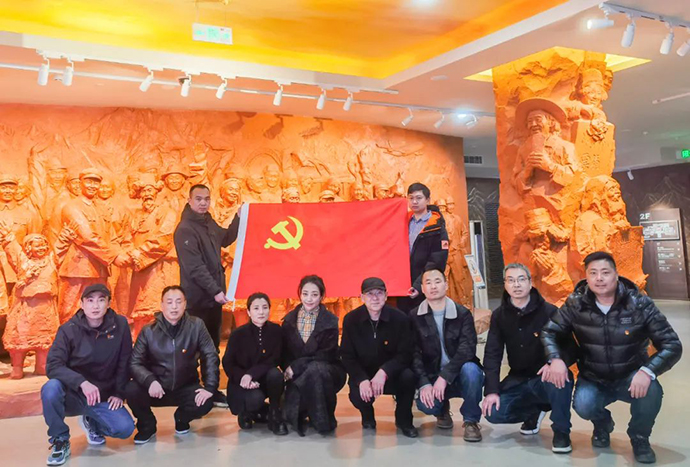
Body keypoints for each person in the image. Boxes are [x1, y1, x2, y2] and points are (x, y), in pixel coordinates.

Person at [542, 251, 683, 464]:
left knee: (652, 392)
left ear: (616, 275)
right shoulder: (576, 304)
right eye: (593, 273)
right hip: (593, 376)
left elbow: (672, 345)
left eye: (605, 272)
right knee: (583, 405)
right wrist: (555, 358)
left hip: (631, 375)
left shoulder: (638, 303)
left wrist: (648, 371)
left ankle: (639, 437)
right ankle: (602, 424)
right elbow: (549, 331)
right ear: (586, 277)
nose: (599, 278)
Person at [482, 263, 576, 454]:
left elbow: (571, 348)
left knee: (560, 379)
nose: (516, 285)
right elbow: (492, 353)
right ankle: (535, 411)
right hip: (518, 378)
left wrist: (555, 362)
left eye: (521, 279)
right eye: (511, 280)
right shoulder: (499, 316)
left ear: (530, 282)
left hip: (546, 376)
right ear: (505, 284)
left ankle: (561, 431)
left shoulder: (549, 311)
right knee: (494, 412)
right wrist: (491, 390)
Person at [41, 284, 134, 466]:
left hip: (103, 395)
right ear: (82, 304)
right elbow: (53, 365)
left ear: (109, 303)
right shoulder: (68, 329)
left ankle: (92, 422)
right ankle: (60, 440)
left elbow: (125, 361)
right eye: (90, 300)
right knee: (51, 388)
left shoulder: (120, 325)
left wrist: (119, 392)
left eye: (101, 300)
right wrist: (81, 382)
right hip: (73, 394)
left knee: (125, 429)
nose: (95, 306)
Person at [126, 285, 219, 444]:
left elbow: (210, 354)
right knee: (131, 389)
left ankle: (182, 418)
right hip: (157, 388)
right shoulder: (149, 331)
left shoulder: (196, 326)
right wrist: (150, 380)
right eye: (169, 302)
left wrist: (210, 387)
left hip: (185, 386)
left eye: (178, 302)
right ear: (162, 305)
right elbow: (135, 362)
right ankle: (147, 425)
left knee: (206, 401)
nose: (174, 307)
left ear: (185, 304)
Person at [174, 183, 240, 406]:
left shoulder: (207, 222)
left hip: (213, 299)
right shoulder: (185, 229)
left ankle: (211, 389)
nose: (203, 203)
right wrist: (215, 291)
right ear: (189, 200)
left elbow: (226, 238)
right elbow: (195, 268)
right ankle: (192, 391)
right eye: (199, 199)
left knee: (211, 346)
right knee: (194, 347)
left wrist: (239, 218)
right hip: (197, 300)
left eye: (206, 199)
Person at [410, 267, 484, 442]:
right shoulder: (414, 316)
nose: (433, 286)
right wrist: (424, 384)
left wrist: (445, 377)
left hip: (458, 373)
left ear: (446, 285)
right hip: (432, 375)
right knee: (426, 404)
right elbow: (413, 353)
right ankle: (441, 410)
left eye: (437, 281)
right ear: (422, 288)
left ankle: (471, 420)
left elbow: (467, 349)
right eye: (428, 283)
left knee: (472, 371)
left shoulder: (462, 313)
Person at [340, 277, 418, 438]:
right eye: (370, 294)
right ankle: (367, 415)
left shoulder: (400, 319)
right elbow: (347, 355)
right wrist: (361, 379)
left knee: (408, 377)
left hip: (392, 373)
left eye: (379, 293)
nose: (375, 298)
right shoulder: (351, 320)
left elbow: (405, 354)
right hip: (365, 373)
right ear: (362, 297)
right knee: (357, 395)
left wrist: (384, 372)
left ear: (386, 295)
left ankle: (404, 419)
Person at [281, 275, 346, 436]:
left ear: (322, 296)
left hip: (328, 370)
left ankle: (322, 421)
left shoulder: (330, 321)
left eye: (314, 294)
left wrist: (297, 366)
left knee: (316, 370)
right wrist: (288, 368)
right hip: (297, 373)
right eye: (305, 294)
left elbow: (326, 354)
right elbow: (284, 352)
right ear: (300, 294)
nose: (309, 299)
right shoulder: (289, 321)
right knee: (290, 411)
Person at [223, 292, 287, 435]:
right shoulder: (238, 334)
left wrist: (251, 374)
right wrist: (243, 377)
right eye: (256, 308)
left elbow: (274, 359)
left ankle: (274, 413)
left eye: (265, 307)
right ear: (248, 312)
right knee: (254, 399)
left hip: (264, 378)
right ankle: (246, 413)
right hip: (242, 381)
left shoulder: (276, 331)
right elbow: (228, 362)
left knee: (276, 375)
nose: (261, 312)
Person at [397, 182, 449, 312]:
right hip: (402, 285)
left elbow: (437, 261)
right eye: (411, 198)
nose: (414, 201)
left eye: (418, 198)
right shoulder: (402, 221)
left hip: (424, 287)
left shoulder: (436, 227)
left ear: (427, 200)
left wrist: (418, 285)